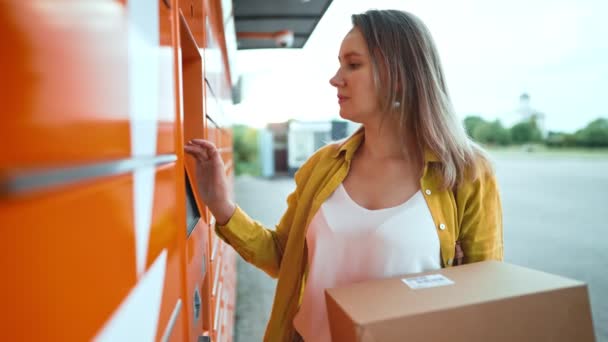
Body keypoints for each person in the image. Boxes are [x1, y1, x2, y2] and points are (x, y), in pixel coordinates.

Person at [185, 9, 503, 342]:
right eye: (340, 64)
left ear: (399, 75)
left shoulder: (466, 172)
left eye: (353, 65)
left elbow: (484, 301)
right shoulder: (323, 165)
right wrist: (222, 206)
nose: (336, 78)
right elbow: (282, 256)